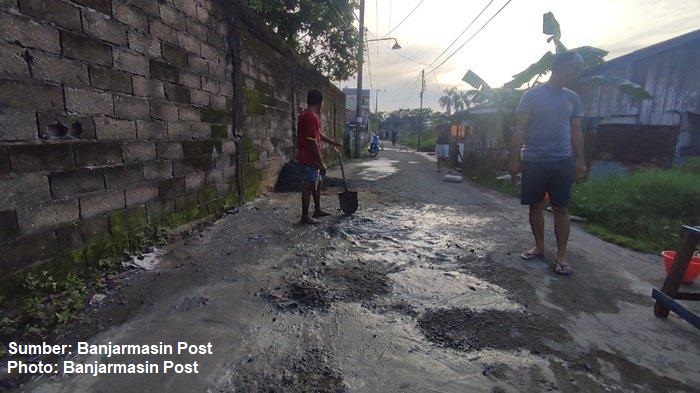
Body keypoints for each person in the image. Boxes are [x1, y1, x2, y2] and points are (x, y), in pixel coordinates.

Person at [508, 51, 587, 275]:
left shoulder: (573, 98)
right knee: (535, 205)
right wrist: (514, 160)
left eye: (579, 68)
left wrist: (580, 160)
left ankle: (561, 254)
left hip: (562, 160)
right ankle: (539, 246)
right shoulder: (531, 96)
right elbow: (520, 129)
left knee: (561, 207)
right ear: (559, 67)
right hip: (533, 159)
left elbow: (576, 130)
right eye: (575, 67)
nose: (577, 72)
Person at [297, 89, 342, 225]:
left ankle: (317, 210)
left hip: (310, 157)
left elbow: (318, 135)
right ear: (320, 102)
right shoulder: (310, 116)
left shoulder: (310, 115)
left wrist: (333, 142)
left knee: (318, 184)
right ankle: (305, 216)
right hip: (309, 158)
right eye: (322, 103)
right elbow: (312, 141)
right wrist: (320, 161)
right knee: (309, 186)